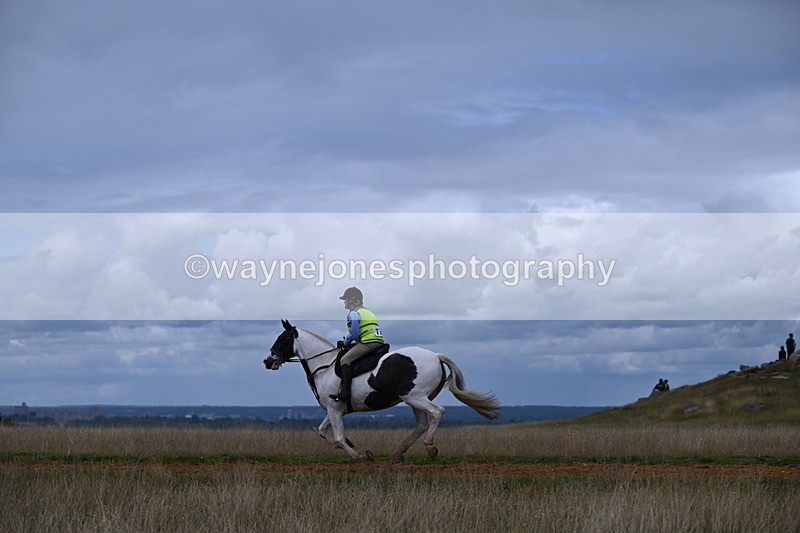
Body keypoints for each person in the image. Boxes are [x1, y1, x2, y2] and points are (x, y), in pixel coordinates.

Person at [329, 286, 385, 403]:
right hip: (377, 340)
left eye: (346, 299)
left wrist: (345, 342)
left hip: (368, 342)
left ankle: (345, 392)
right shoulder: (368, 312)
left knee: (345, 359)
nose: (344, 302)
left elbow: (354, 333)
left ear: (354, 300)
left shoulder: (354, 313)